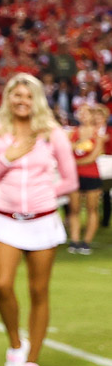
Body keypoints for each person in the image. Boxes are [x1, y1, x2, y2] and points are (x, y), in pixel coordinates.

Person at [0, 73, 78, 366]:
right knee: (2, 285)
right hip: (5, 219)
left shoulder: (52, 134)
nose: (22, 101)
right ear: (8, 98)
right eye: (16, 95)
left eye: (28, 95)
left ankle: (33, 361)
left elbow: (71, 180)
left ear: (37, 100)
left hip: (44, 219)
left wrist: (46, 195)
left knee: (38, 290)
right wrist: (8, 157)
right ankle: (16, 346)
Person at [67, 102, 107, 253]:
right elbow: (66, 149)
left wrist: (75, 162)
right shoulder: (73, 132)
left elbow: (95, 155)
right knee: (74, 209)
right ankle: (75, 241)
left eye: (86, 113)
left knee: (92, 209)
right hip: (75, 176)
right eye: (80, 112)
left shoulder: (98, 134)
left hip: (91, 175)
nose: (82, 115)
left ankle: (86, 242)